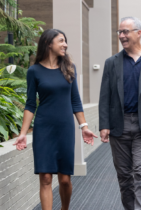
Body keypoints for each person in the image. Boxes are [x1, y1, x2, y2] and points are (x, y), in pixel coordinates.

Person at [13, 29, 97, 210]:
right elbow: (30, 105)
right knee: (45, 178)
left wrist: (84, 126)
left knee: (65, 179)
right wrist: (22, 133)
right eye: (61, 41)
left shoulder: (69, 68)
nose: (65, 44)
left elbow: (75, 100)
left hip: (65, 128)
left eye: (65, 41)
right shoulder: (34, 71)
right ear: (48, 43)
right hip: (44, 128)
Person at [99, 17, 141, 210]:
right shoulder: (111, 63)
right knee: (124, 176)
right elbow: (105, 96)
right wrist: (104, 125)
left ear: (139, 33)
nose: (121, 36)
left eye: (125, 32)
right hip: (118, 127)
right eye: (120, 32)